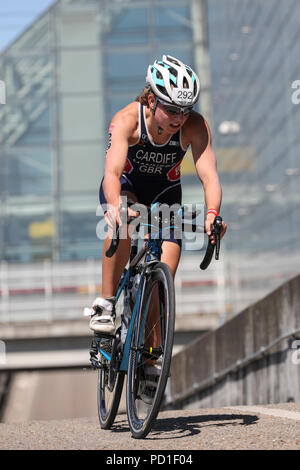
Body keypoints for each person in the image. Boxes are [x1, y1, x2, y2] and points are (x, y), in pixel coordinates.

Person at [88, 54, 227, 337]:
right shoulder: (127, 120)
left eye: (186, 110)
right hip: (127, 185)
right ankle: (106, 304)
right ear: (151, 100)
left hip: (165, 193)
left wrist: (212, 214)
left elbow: (209, 176)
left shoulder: (195, 126)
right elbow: (112, 172)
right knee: (124, 222)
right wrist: (115, 208)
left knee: (163, 279)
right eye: (173, 109)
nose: (180, 118)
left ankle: (150, 361)